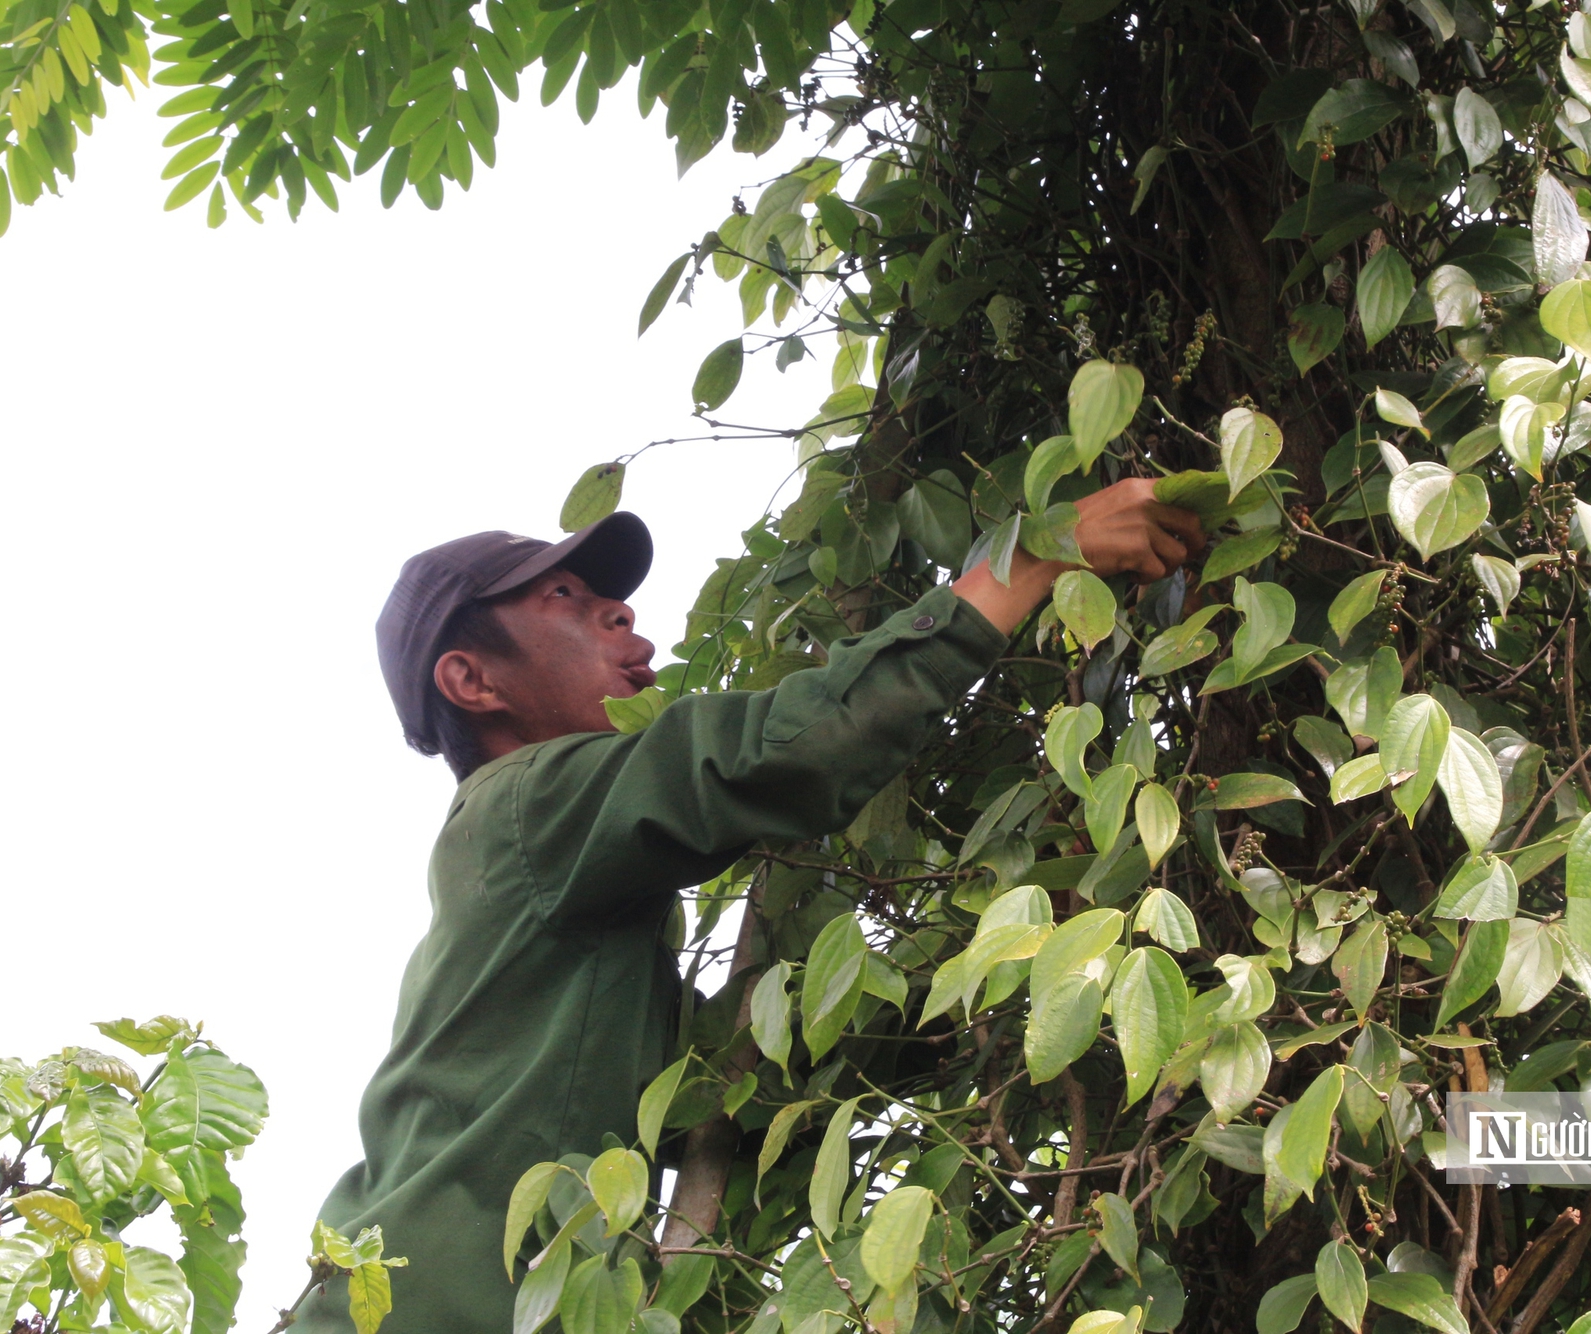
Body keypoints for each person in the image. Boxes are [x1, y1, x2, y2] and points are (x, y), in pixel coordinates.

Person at [302, 478, 1201, 1334]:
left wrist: (1031, 955)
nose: (620, 612)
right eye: (564, 597)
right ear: (473, 683)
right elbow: (786, 750)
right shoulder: (523, 804)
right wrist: (1037, 558)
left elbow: (739, 1090)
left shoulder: (565, 901)